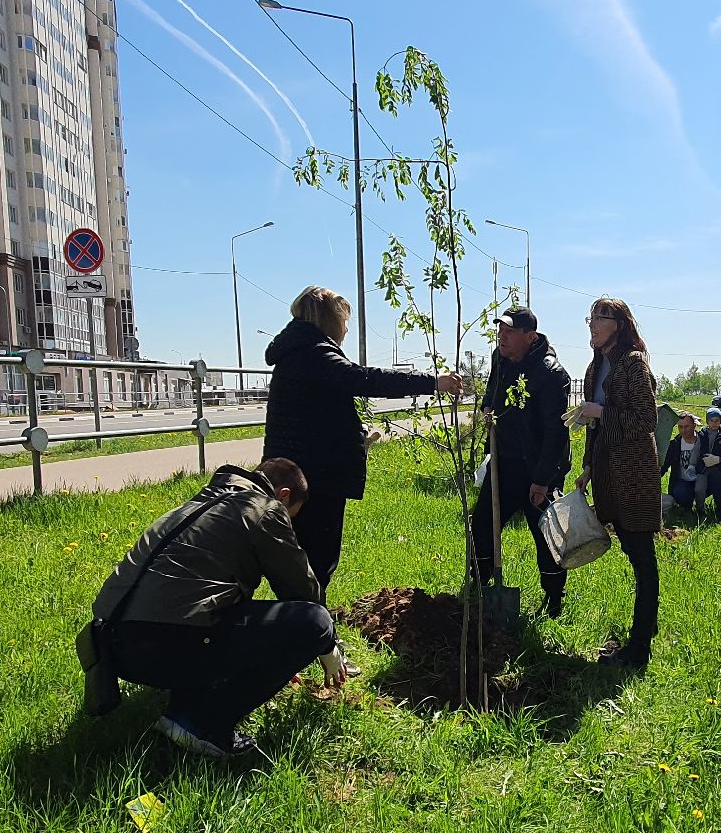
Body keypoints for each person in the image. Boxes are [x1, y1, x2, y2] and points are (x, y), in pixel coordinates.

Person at [83, 459, 335, 759]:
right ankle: (201, 723)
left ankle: (186, 700)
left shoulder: (205, 501)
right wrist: (328, 645)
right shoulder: (264, 509)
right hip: (160, 646)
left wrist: (271, 654)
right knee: (315, 623)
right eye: (293, 514)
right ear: (283, 495)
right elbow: (303, 592)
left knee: (210, 622)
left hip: (111, 646)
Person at [263, 286, 461, 589]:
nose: (345, 329)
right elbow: (366, 380)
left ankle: (304, 611)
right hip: (315, 476)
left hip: (295, 470)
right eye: (343, 321)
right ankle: (310, 616)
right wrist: (433, 382)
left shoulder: (296, 351)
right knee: (316, 559)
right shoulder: (314, 353)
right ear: (329, 320)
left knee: (300, 557)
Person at [468, 305, 573, 616]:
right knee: (483, 524)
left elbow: (555, 433)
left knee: (546, 534)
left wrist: (541, 481)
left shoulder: (551, 374)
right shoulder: (500, 359)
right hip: (504, 464)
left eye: (510, 332)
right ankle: (480, 584)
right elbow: (491, 392)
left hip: (539, 467)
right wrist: (487, 408)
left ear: (530, 337)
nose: (502, 337)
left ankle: (554, 598)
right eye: (501, 330)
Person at [576, 296, 661, 668]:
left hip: (634, 475)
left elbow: (646, 419)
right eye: (591, 318)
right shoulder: (595, 367)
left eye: (601, 317)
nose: (593, 324)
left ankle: (639, 648)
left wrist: (601, 411)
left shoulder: (633, 364)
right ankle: (642, 631)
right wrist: (587, 467)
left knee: (642, 557)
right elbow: (594, 427)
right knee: (630, 549)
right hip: (607, 472)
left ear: (620, 325)